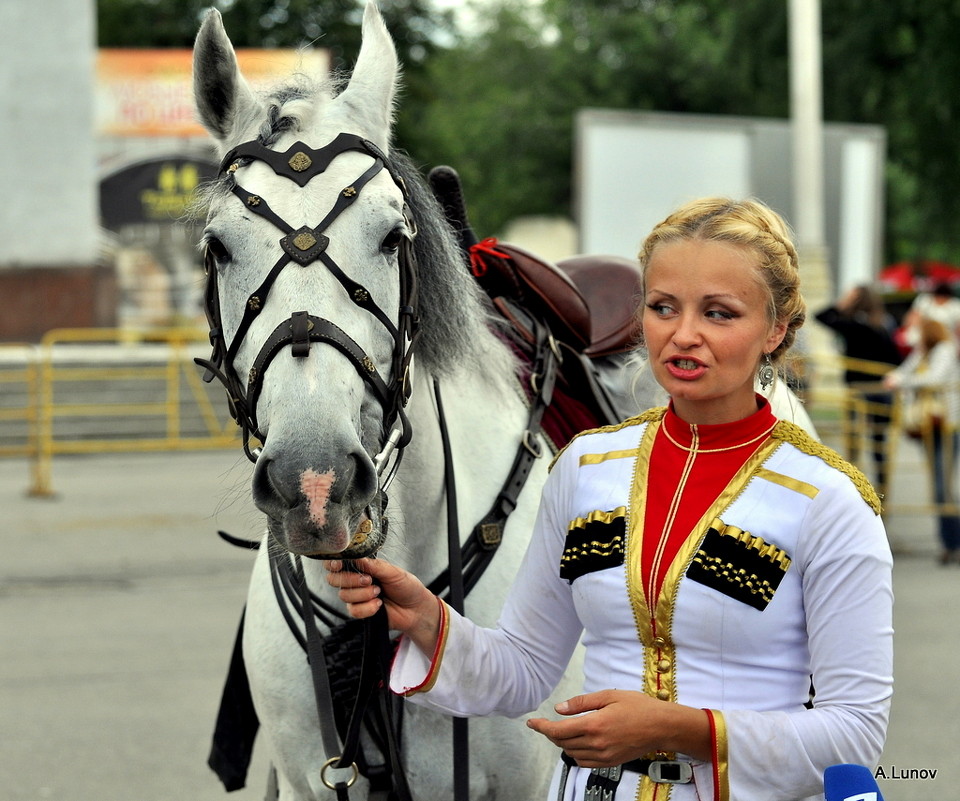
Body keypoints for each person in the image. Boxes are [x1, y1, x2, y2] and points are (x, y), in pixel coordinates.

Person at [327, 198, 894, 801]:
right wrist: (430, 622)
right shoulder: (585, 466)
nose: (684, 335)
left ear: (776, 329)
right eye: (663, 308)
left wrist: (682, 730)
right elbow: (522, 669)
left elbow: (855, 736)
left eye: (720, 314)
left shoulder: (828, 499)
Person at [815, 285, 903, 500]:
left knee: (854, 442)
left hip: (859, 390)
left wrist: (842, 303)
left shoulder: (852, 325)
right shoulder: (884, 324)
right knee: (879, 442)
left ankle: (854, 492)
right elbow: (896, 357)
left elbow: (821, 316)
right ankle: (882, 491)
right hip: (882, 388)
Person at [884, 317, 960, 564]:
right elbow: (904, 369)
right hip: (929, 424)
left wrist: (901, 381)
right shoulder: (923, 352)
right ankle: (950, 543)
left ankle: (952, 543)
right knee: (939, 487)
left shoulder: (945, 350)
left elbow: (935, 379)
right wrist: (895, 377)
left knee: (942, 488)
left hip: (947, 424)